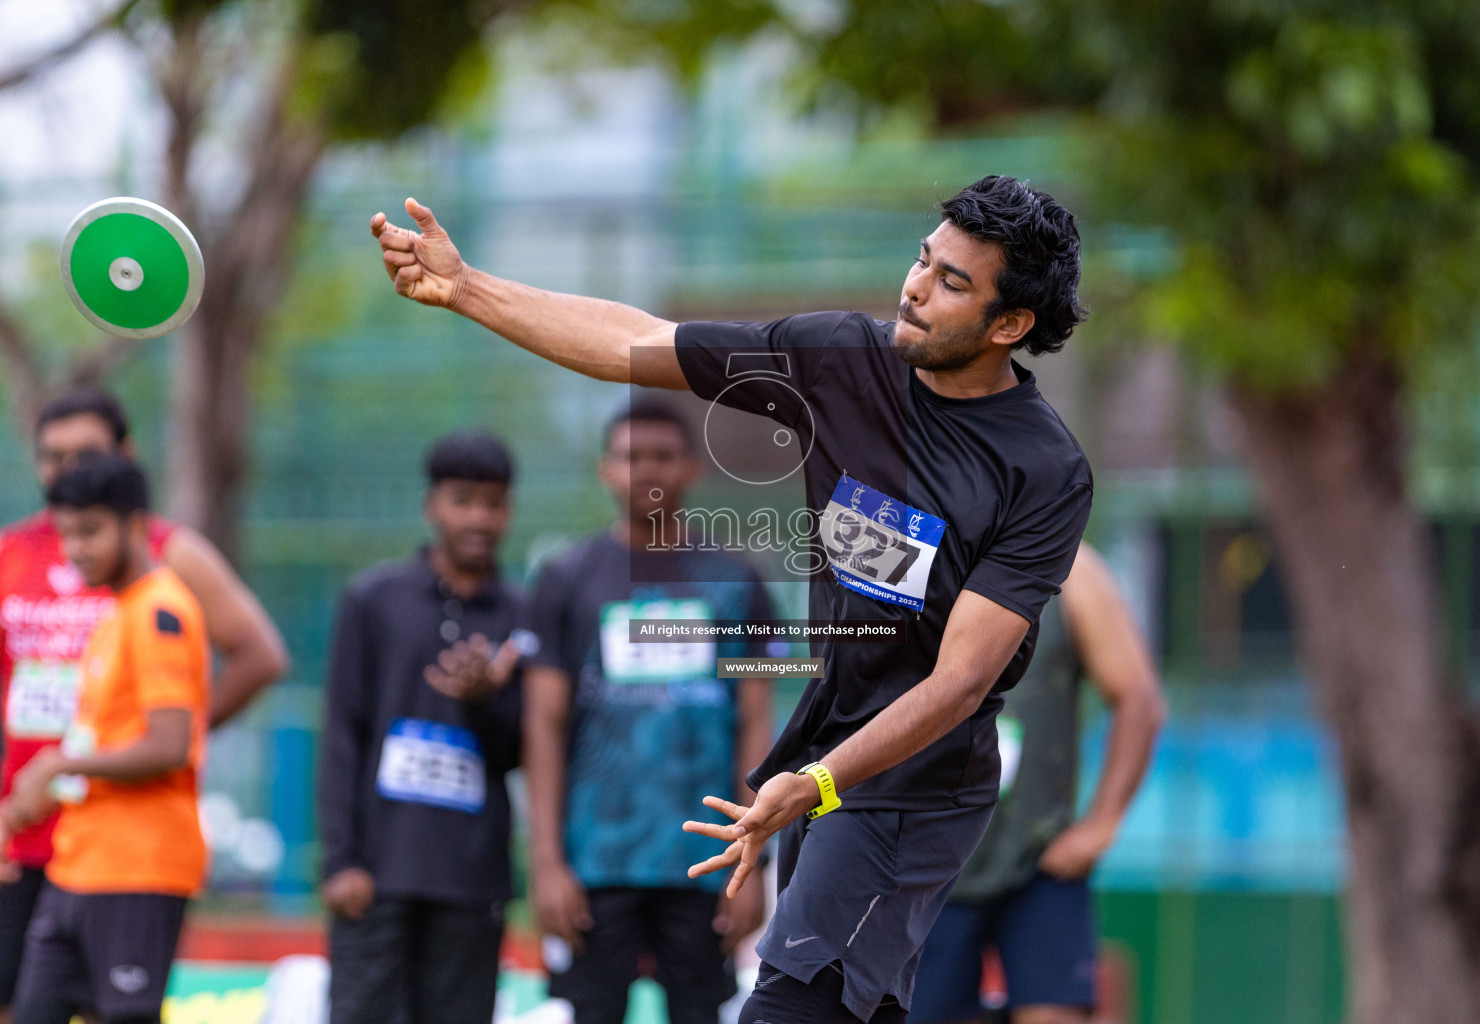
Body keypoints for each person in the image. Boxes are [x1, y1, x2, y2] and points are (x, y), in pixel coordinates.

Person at [371, 172, 1094, 1024]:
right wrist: (467, 289)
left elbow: (961, 681)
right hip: (828, 760)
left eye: (952, 282)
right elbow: (637, 341)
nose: (915, 286)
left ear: (1010, 325)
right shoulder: (842, 359)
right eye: (922, 260)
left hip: (914, 788)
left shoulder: (1044, 471)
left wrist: (820, 783)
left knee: (788, 1006)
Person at [0, 388, 288, 1019]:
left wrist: (158, 738)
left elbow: (175, 730)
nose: (71, 472)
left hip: (133, 856)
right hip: (66, 843)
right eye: (54, 457)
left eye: (87, 455)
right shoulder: (102, 603)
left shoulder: (161, 598)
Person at [515, 400, 775, 1024]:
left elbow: (756, 724)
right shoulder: (564, 579)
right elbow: (542, 726)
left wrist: (754, 861)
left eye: (663, 456)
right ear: (607, 469)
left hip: (707, 864)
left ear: (691, 468)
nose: (647, 471)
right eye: (632, 457)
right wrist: (547, 863)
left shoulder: (738, 582)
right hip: (595, 866)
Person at [319, 431, 530, 1024]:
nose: (479, 518)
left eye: (493, 503)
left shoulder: (521, 617)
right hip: (375, 879)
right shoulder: (373, 600)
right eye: (463, 500)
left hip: (471, 883)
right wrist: (340, 861)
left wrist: (485, 699)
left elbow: (521, 752)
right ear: (431, 505)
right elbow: (341, 735)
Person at [907, 543, 1165, 1024]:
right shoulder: (899, 550)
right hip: (924, 865)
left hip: (1038, 860)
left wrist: (1102, 824)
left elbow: (1139, 698)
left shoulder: (1073, 567)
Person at [0, 454, 210, 1024]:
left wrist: (57, 763)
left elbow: (169, 744)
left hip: (138, 867)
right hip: (78, 864)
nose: (75, 550)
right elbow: (102, 740)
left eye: (91, 531)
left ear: (136, 526)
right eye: (67, 533)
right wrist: (23, 805)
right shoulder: (116, 615)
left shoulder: (161, 612)